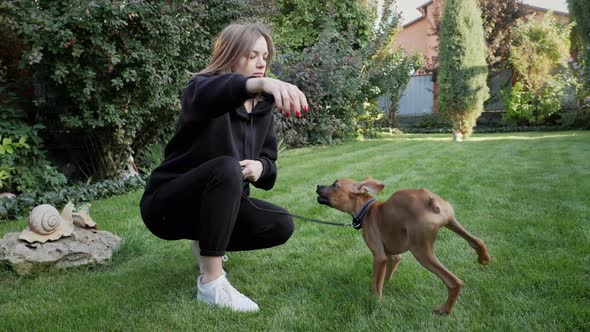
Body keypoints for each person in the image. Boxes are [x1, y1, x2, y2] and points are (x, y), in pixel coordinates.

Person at [139, 23, 308, 312]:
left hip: (216, 204)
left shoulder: (263, 110)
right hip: (166, 204)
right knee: (227, 168)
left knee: (281, 223)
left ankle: (206, 241)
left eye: (265, 56)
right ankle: (211, 284)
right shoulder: (202, 90)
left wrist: (261, 167)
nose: (260, 63)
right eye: (252, 54)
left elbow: (270, 169)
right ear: (231, 55)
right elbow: (213, 92)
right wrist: (261, 83)